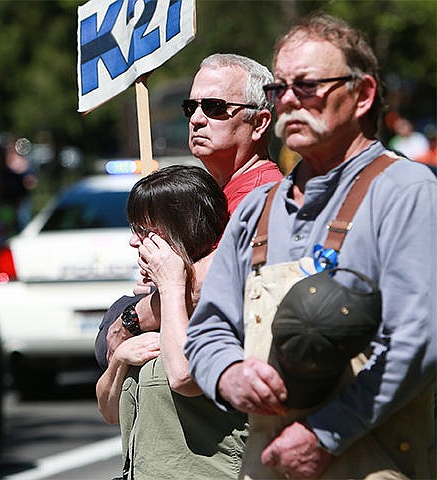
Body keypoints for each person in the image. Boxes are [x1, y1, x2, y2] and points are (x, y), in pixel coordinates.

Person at [183, 13, 435, 480]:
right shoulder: (258, 208)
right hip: (267, 463)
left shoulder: (406, 190)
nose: (290, 102)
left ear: (362, 95)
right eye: (280, 90)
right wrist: (228, 375)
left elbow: (418, 340)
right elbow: (207, 330)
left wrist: (326, 433)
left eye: (309, 86)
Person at [94, 53, 283, 479]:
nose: (197, 118)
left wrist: (128, 318)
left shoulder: (266, 195)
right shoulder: (215, 195)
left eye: (215, 108)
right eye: (190, 107)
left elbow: (198, 286)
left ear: (260, 122)